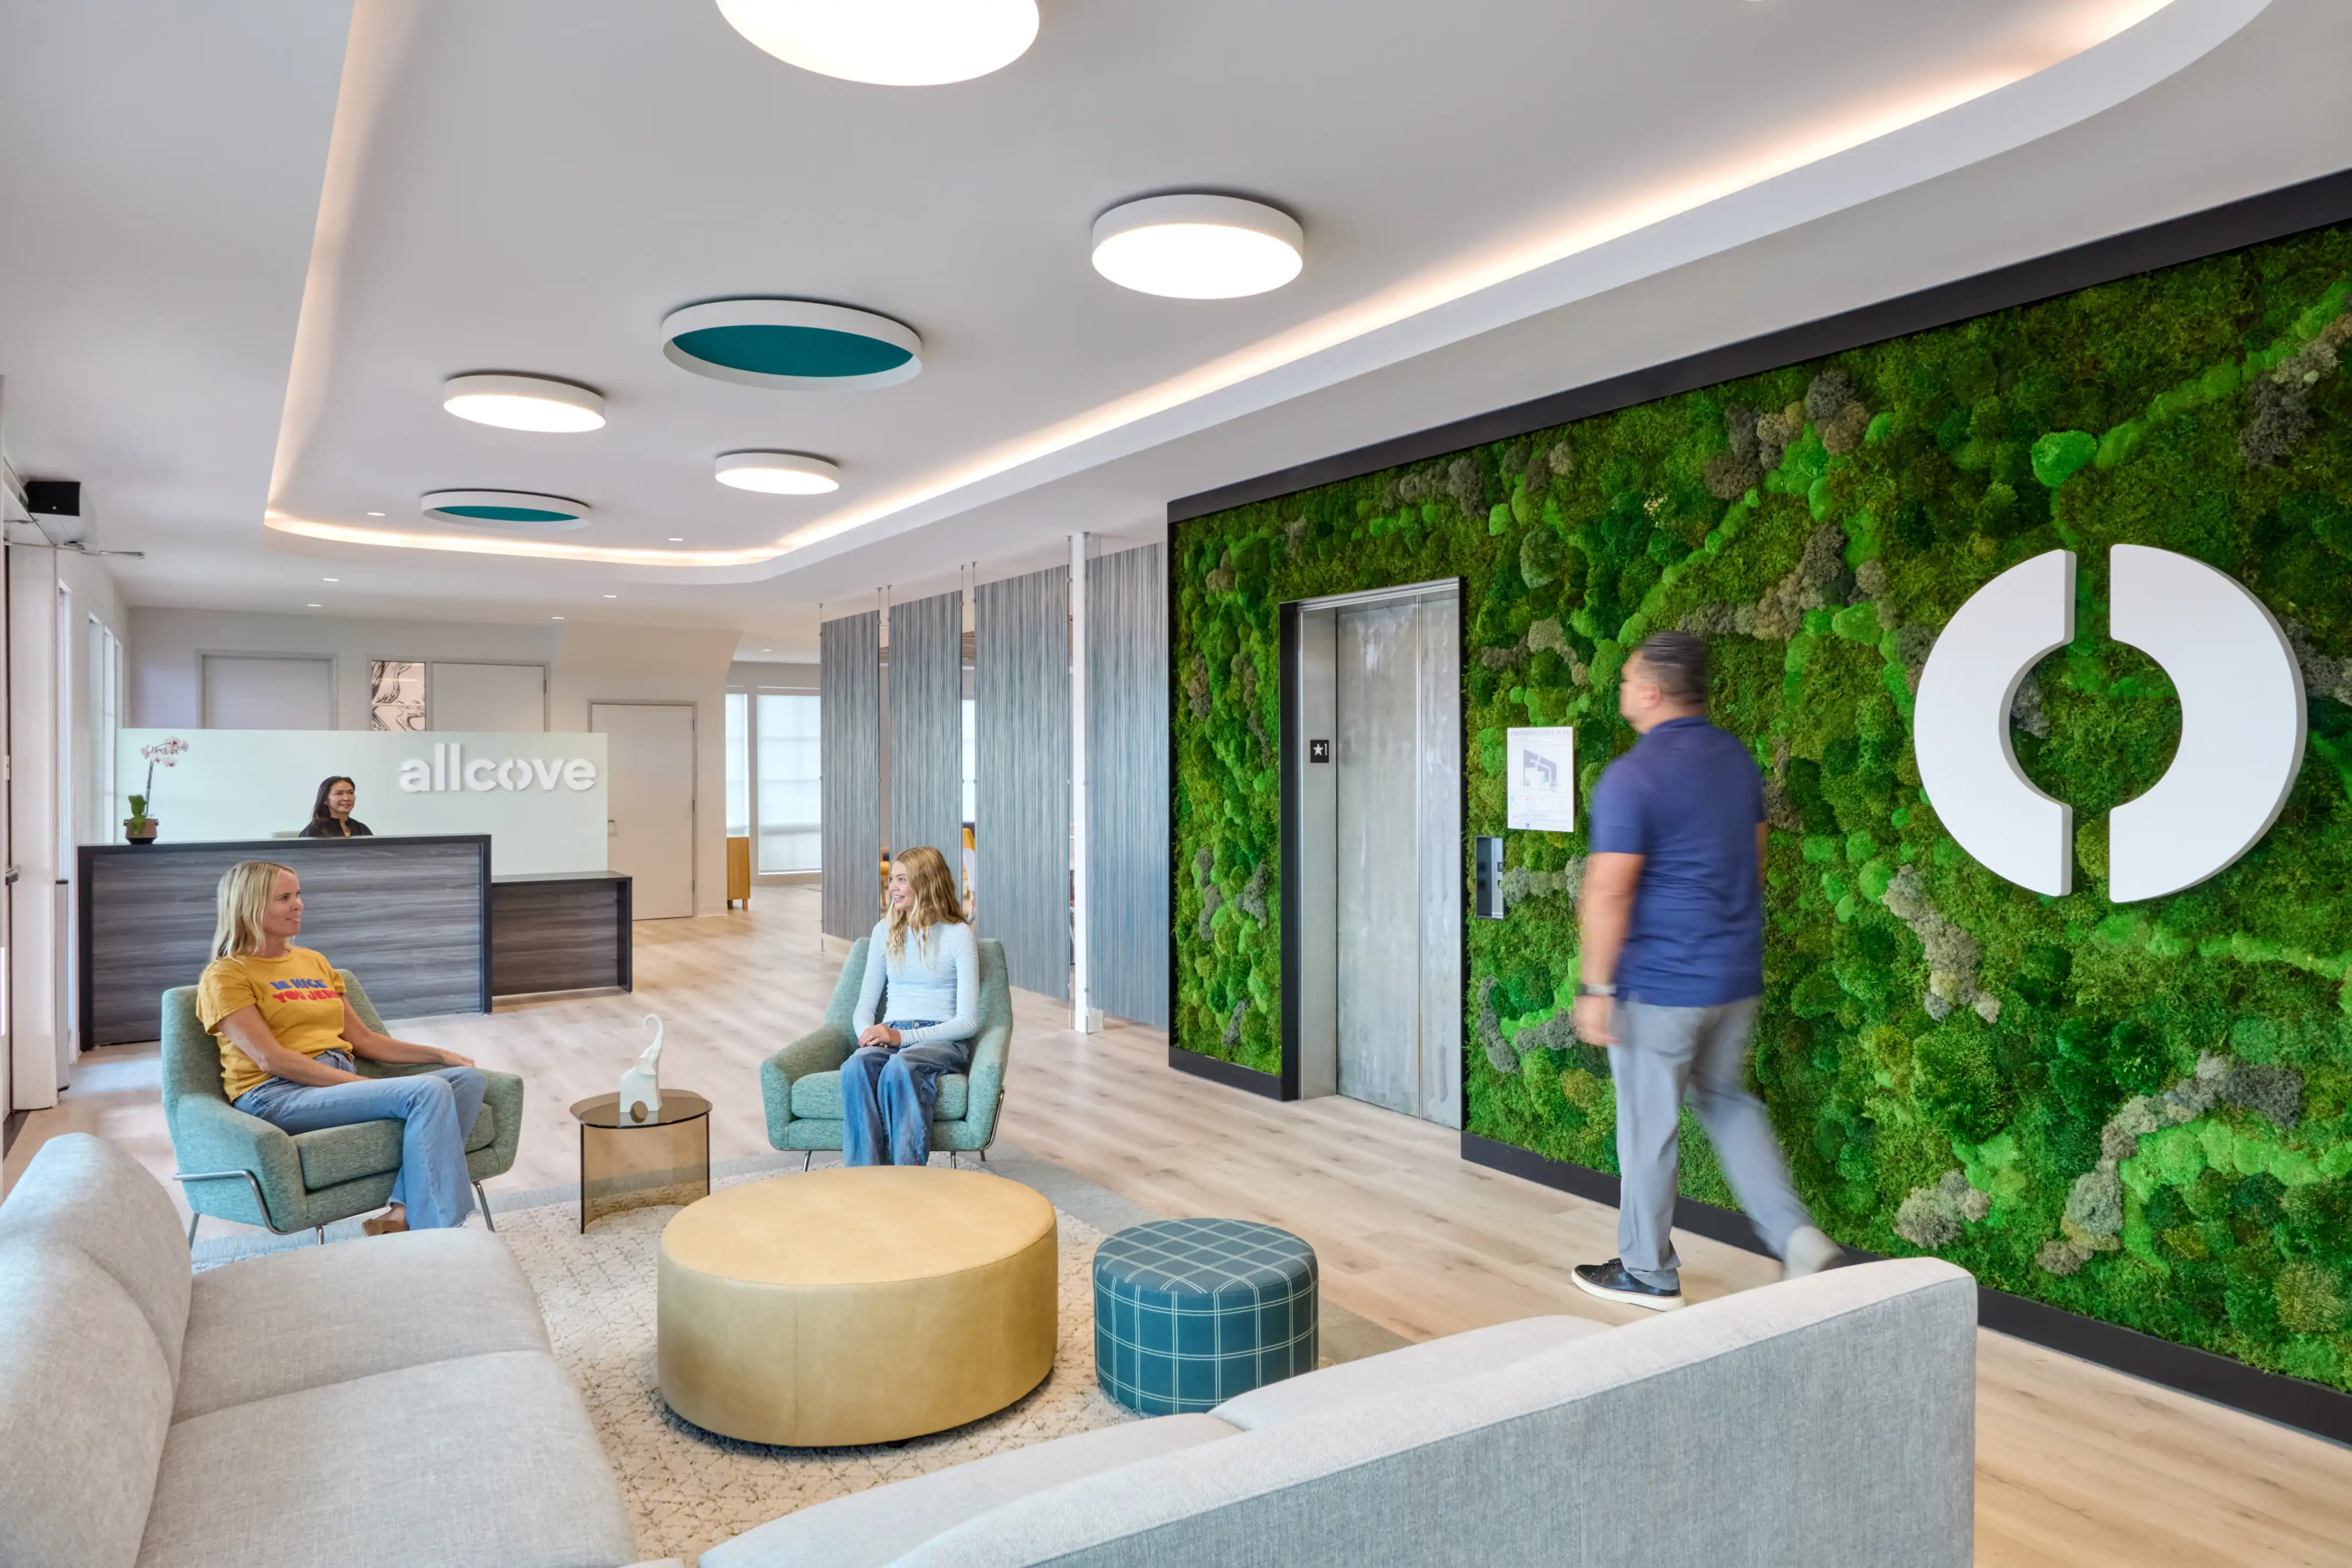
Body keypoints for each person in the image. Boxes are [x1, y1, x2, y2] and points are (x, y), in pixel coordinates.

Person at [1572, 630, 1844, 1310]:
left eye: (1626, 679)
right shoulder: (1734, 762)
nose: (1622, 689)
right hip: (1732, 977)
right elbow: (1755, 863)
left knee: (1648, 1126)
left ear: (1651, 691)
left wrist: (1595, 987)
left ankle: (1647, 1271)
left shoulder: (1632, 776)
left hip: (1659, 984)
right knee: (1725, 1100)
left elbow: (1608, 888)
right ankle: (1795, 1235)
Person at [196, 859, 485, 1232]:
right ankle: (439, 1233)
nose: (298, 905)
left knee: (467, 1080)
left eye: (298, 895)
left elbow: (363, 1040)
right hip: (276, 1094)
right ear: (249, 905)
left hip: (332, 1079)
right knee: (426, 1091)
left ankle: (401, 1215)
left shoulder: (313, 961)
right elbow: (272, 1058)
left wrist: (439, 1054)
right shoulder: (226, 974)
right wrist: (365, 1085)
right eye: (284, 898)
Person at [841, 844, 978, 1167]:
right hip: (891, 1033)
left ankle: (908, 1179)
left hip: (941, 1039)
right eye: (892, 879)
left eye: (902, 879)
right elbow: (864, 1006)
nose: (892, 887)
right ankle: (864, 1178)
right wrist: (868, 1036)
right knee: (856, 1066)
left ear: (926, 882)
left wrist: (901, 1038)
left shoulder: (958, 935)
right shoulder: (883, 931)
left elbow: (968, 1022)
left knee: (900, 1068)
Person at [299, 775, 373, 838]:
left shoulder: (362, 829)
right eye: (339, 793)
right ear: (325, 799)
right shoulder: (313, 832)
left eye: (351, 793)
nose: (347, 798)